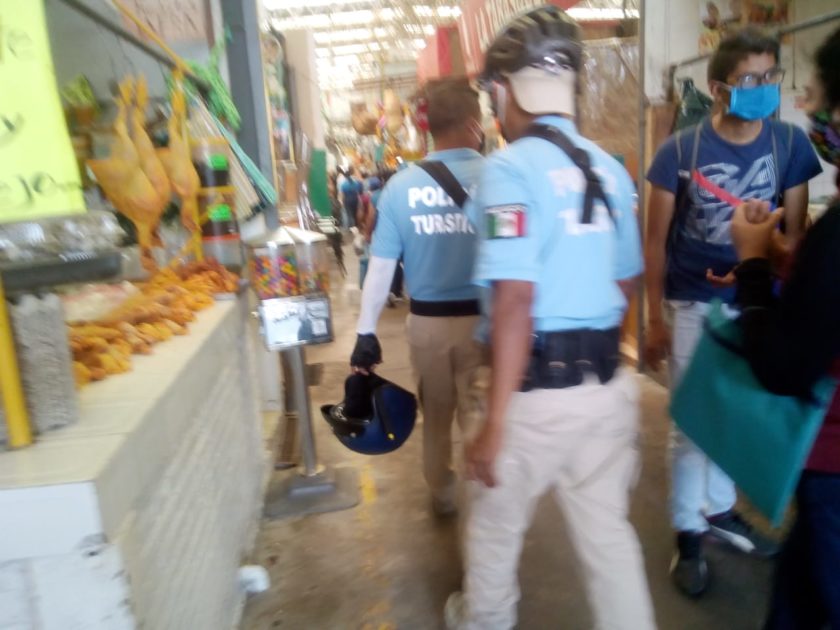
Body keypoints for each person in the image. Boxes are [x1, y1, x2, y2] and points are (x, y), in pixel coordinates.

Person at [445, 7, 655, 629]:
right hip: (606, 390)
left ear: (505, 90)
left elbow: (515, 299)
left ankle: (483, 621)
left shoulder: (507, 170)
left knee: (494, 528)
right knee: (608, 538)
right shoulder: (610, 170)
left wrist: (495, 422)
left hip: (533, 397)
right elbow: (625, 279)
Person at [644, 27, 823, 597]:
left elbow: (793, 238)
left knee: (736, 413)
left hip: (753, 298)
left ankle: (718, 510)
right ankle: (688, 533)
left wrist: (759, 265)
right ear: (719, 89)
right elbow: (654, 240)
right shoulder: (680, 151)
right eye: (750, 78)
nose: (764, 87)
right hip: (693, 298)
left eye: (771, 75)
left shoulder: (789, 145)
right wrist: (653, 318)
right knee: (692, 422)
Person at [728, 26, 840, 630]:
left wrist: (751, 265)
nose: (807, 107)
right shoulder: (682, 151)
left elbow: (783, 366)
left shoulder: (832, 229)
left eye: (814, 95)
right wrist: (786, 264)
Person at [349, 78, 488, 516]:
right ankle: (484, 505)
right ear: (474, 123)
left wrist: (365, 332)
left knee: (436, 416)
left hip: (427, 327)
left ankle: (442, 492)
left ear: (428, 128)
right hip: (485, 324)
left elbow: (381, 269)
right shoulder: (499, 178)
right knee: (479, 415)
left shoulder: (401, 188)